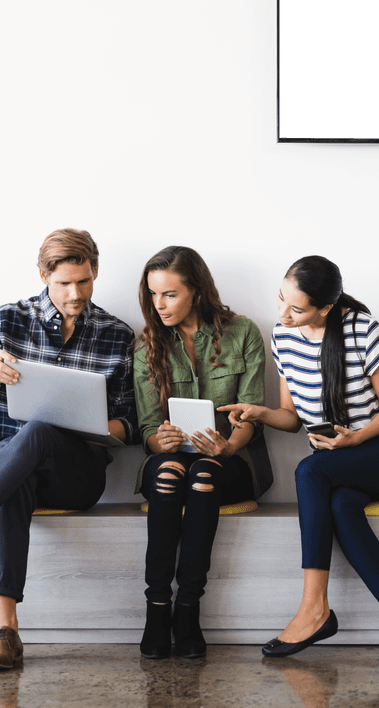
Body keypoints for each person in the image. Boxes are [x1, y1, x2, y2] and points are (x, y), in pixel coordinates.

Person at [0, 229, 138, 670]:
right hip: (10, 468)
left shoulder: (116, 334)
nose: (75, 294)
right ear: (43, 276)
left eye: (84, 282)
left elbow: (129, 424)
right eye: (64, 284)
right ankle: (5, 632)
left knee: (38, 431)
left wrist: (84, 423)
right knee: (20, 464)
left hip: (78, 474)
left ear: (95, 274)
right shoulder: (9, 319)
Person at [220, 255, 379, 660]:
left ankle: (314, 608)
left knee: (309, 470)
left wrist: (354, 440)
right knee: (340, 505)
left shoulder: (362, 330)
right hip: (333, 466)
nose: (283, 313)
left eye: (296, 309)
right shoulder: (283, 337)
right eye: (281, 298)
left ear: (325, 308)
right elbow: (293, 418)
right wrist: (260, 412)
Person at [133, 246, 272, 659]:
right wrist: (162, 440)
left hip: (231, 463)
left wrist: (230, 443)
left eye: (170, 294)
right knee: (172, 470)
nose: (159, 304)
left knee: (203, 474)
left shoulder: (242, 332)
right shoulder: (147, 346)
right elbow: (146, 428)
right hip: (171, 461)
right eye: (154, 294)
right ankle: (157, 607)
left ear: (196, 290)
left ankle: (188, 607)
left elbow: (251, 412)